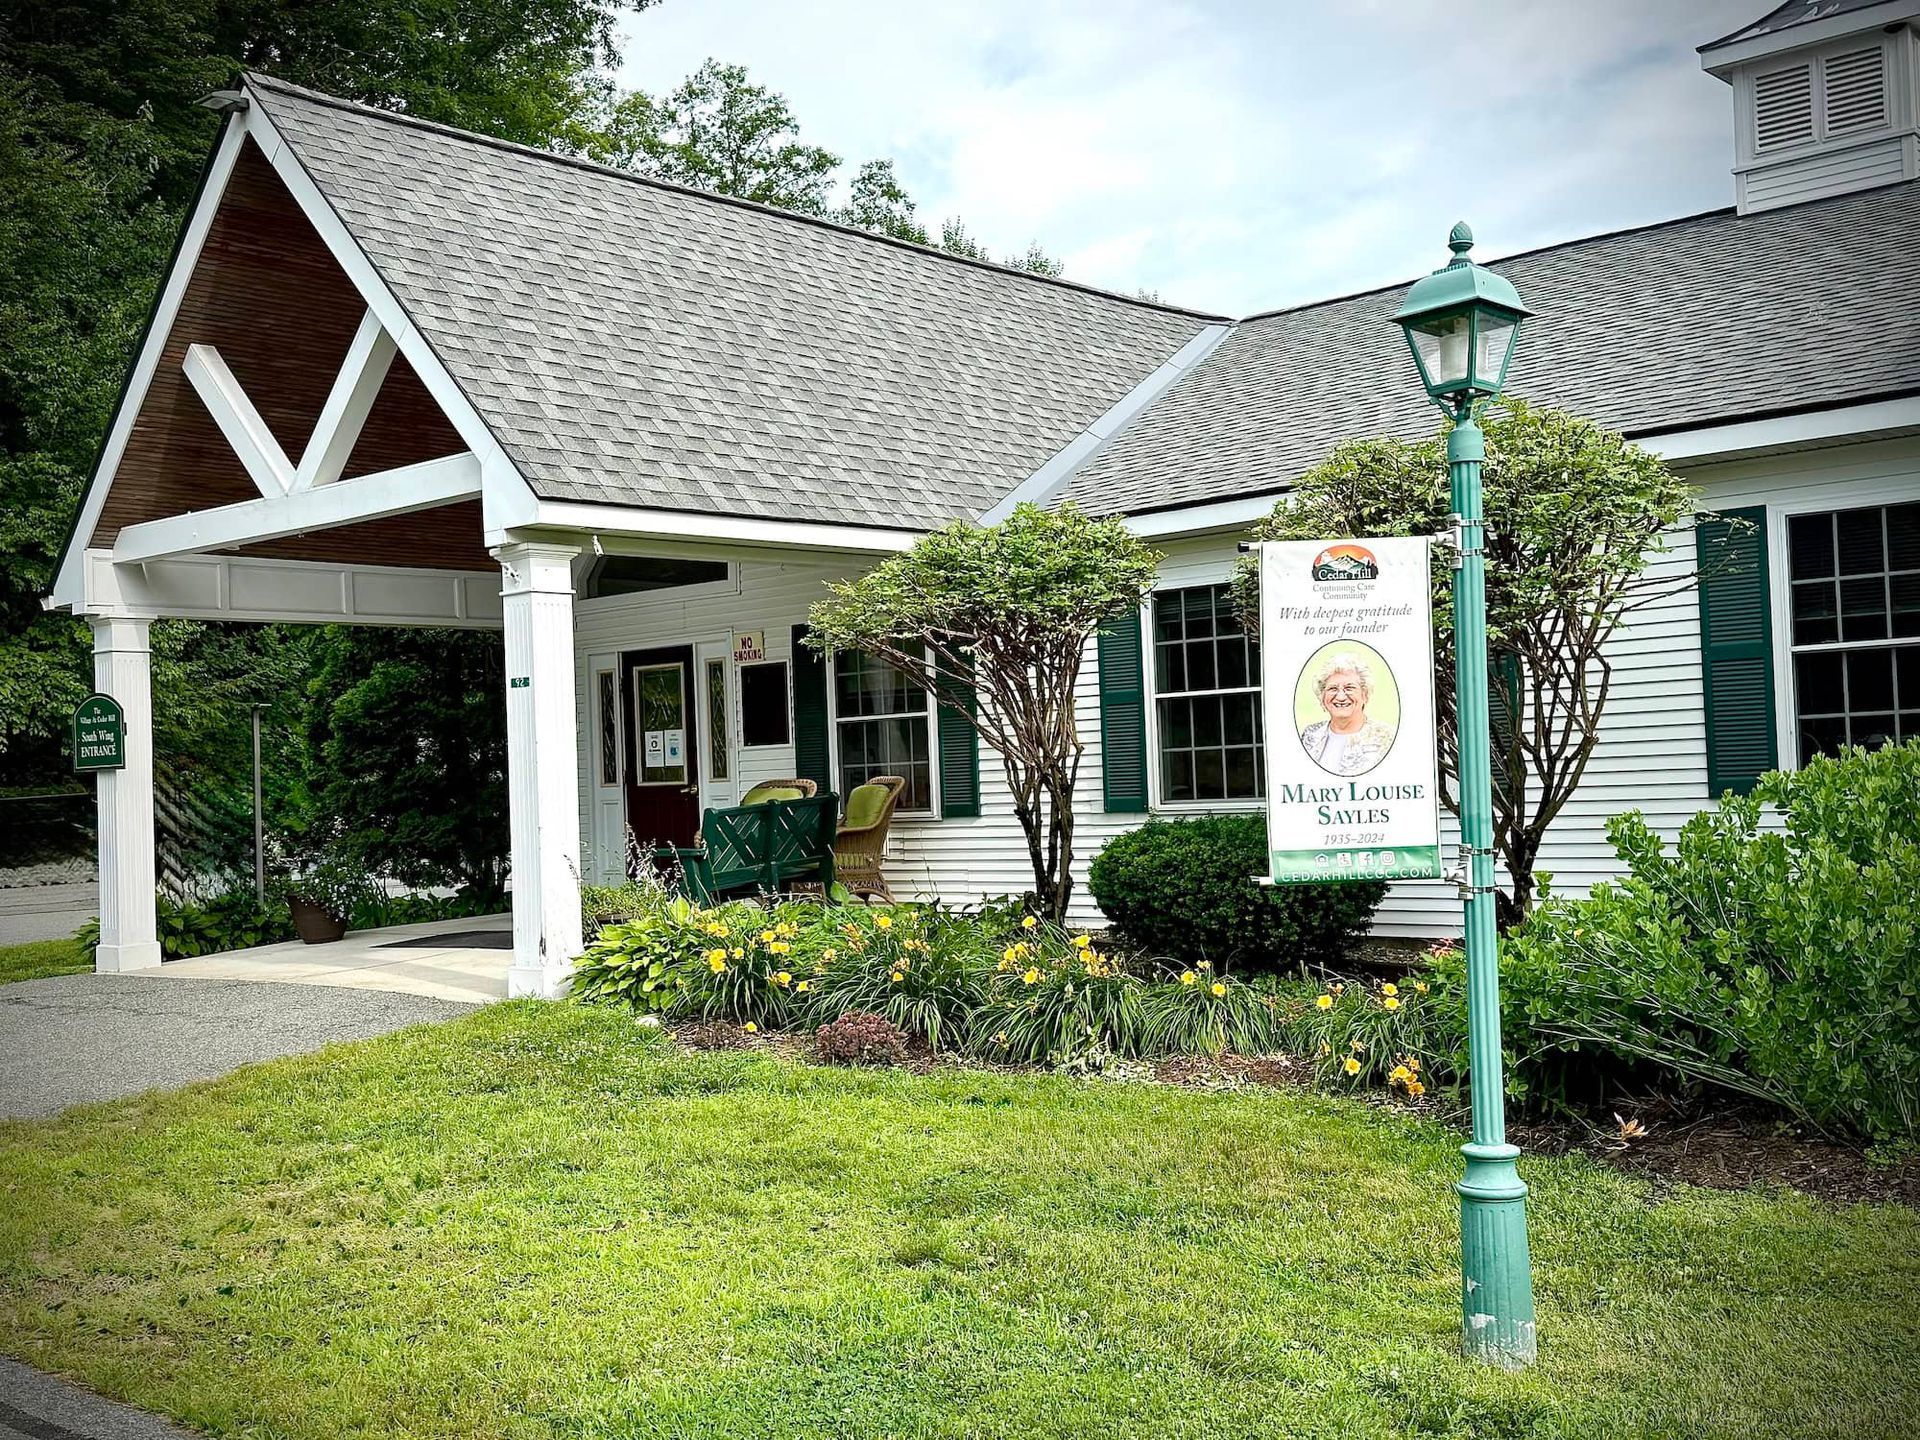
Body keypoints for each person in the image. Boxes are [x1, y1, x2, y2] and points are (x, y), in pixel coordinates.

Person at [1299, 651, 1395, 776]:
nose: (1340, 697)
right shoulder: (1310, 734)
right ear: (1322, 696)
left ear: (1365, 694)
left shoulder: (1386, 737)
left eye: (1349, 688)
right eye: (1333, 688)